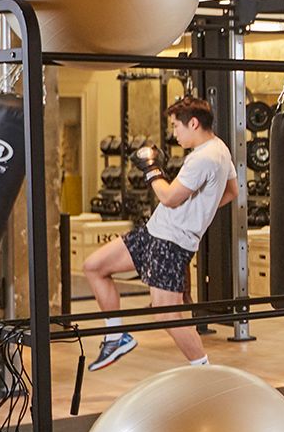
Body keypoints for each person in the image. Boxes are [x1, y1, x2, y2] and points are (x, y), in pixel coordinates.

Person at [83, 96, 238, 371]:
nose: (174, 133)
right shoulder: (220, 148)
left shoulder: (203, 158)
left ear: (193, 123)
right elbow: (231, 193)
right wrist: (198, 210)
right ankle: (116, 336)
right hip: (154, 232)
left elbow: (167, 197)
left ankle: (205, 372)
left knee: (168, 314)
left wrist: (151, 169)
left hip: (171, 242)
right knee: (94, 266)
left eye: (177, 126)